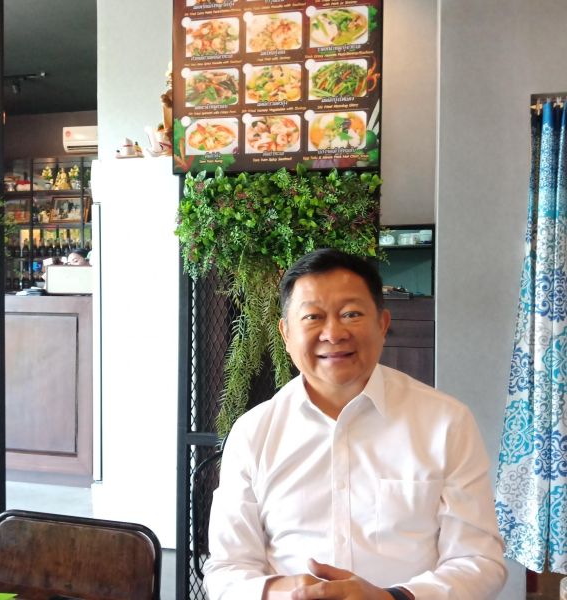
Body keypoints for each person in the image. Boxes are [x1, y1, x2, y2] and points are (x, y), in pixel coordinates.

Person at [204, 248, 507, 600]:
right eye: (313, 317)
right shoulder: (253, 433)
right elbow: (226, 569)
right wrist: (282, 592)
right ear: (285, 333)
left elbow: (479, 560)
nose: (333, 333)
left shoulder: (446, 423)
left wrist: (392, 598)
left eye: (351, 314)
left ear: (382, 324)